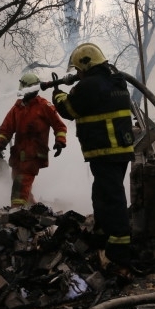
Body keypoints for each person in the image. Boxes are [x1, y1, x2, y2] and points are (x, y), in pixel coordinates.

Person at [51, 43, 135, 271]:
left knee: (112, 199)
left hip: (104, 151)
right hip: (120, 150)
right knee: (103, 195)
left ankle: (119, 253)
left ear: (86, 65)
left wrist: (57, 95)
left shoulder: (89, 86)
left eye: (78, 69)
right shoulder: (117, 80)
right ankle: (101, 240)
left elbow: (69, 109)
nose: (77, 74)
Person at [0, 72, 68, 208]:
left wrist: (60, 142)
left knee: (21, 182)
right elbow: (6, 128)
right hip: (18, 155)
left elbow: (60, 126)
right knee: (18, 180)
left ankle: (16, 211)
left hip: (34, 153)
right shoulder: (17, 107)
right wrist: (0, 143)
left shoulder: (44, 106)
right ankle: (33, 207)